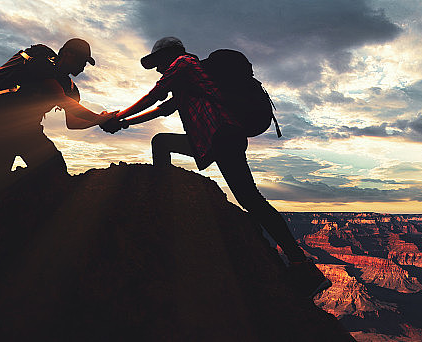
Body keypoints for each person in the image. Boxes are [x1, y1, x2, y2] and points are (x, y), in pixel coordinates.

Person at [101, 37, 331, 298]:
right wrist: (126, 123)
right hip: (216, 139)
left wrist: (118, 117)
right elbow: (163, 109)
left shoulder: (184, 64)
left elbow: (155, 96)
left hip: (222, 137)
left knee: (250, 199)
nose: (158, 70)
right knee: (166, 144)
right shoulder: (191, 81)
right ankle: (300, 263)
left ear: (170, 55)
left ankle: (302, 266)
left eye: (158, 63)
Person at [0, 38, 116, 201]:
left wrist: (99, 120)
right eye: (81, 60)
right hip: (3, 131)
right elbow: (60, 98)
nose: (83, 66)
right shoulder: (41, 62)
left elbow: (73, 122)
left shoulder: (71, 88)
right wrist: (101, 119)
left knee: (56, 173)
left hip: (30, 133)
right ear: (67, 54)